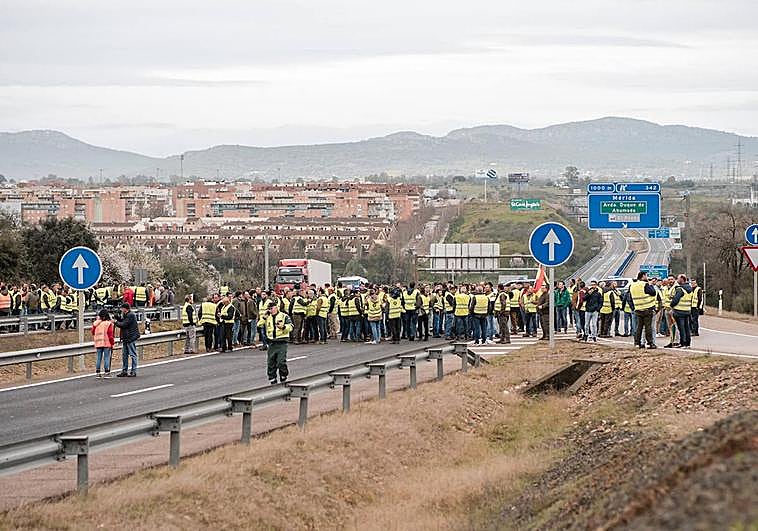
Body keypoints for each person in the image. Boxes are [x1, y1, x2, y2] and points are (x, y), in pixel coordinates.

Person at [262, 302, 293, 385]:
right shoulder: (267, 317)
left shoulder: (284, 316)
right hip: (271, 343)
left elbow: (290, 327)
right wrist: (263, 318)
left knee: (281, 361)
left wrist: (283, 327)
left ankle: (283, 375)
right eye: (269, 309)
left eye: (272, 308)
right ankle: (272, 379)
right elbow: (259, 325)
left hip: (281, 342)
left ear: (276, 308)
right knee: (271, 362)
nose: (270, 310)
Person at [629, 271, 658, 349]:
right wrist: (650, 284)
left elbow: (630, 297)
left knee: (639, 327)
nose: (647, 277)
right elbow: (653, 292)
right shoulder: (645, 284)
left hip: (638, 308)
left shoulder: (632, 285)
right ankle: (650, 343)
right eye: (646, 276)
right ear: (643, 276)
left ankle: (637, 342)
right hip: (647, 308)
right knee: (648, 327)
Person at [114, 303, 140, 377]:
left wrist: (115, 322)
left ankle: (133, 371)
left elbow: (124, 324)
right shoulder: (126, 315)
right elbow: (123, 321)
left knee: (132, 354)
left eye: (122, 308)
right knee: (124, 355)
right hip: (126, 337)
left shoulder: (130, 315)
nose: (121, 310)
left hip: (130, 337)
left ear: (125, 308)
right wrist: (117, 317)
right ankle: (124, 371)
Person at [671, 274, 693, 348]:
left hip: (679, 311)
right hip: (687, 311)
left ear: (682, 279)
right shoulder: (690, 289)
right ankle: (688, 343)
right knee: (687, 328)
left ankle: (682, 343)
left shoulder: (680, 289)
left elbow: (675, 300)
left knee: (681, 328)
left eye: (678, 279)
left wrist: (671, 305)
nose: (677, 280)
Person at [91, 309, 115, 378]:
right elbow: (110, 334)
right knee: (106, 357)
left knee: (98, 357)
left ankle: (98, 372)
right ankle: (107, 372)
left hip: (98, 342)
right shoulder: (108, 323)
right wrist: (112, 343)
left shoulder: (96, 324)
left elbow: (92, 332)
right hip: (106, 342)